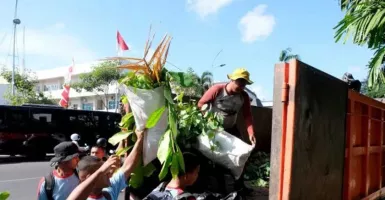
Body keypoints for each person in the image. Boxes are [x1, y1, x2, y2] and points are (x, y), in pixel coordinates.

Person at [66, 129, 144, 200]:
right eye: (105, 173)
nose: (109, 174)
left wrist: (140, 139)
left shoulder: (109, 190)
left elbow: (127, 166)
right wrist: (101, 171)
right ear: (92, 178)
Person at [197, 68, 256, 145]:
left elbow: (247, 115)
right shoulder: (217, 90)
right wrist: (210, 120)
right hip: (214, 127)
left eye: (243, 85)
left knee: (239, 147)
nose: (241, 88)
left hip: (231, 128)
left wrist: (251, 133)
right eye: (240, 84)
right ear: (232, 80)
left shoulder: (244, 96)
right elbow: (201, 104)